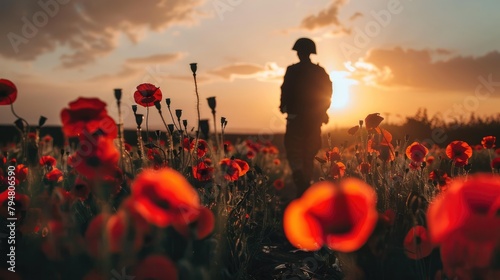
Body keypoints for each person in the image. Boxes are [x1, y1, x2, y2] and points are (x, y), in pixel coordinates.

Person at [280, 37, 333, 197]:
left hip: (297, 119)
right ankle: (304, 183)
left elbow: (285, 91)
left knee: (296, 152)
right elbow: (327, 93)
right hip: (312, 120)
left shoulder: (292, 70)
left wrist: (284, 107)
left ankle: (301, 181)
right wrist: (322, 112)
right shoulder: (319, 71)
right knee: (309, 153)